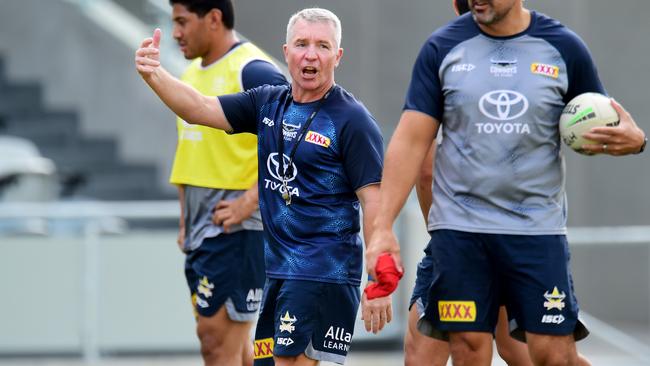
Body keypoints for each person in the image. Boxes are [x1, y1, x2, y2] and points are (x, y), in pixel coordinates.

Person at [367, 0, 647, 365]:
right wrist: (383, 227)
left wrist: (636, 141)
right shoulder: (442, 48)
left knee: (552, 354)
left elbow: (602, 117)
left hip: (536, 231)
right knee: (466, 346)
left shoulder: (563, 47)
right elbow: (410, 141)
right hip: (461, 231)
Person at [135, 7, 386, 366]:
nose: (311, 54)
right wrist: (154, 74)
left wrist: (380, 282)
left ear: (337, 56)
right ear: (286, 52)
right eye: (301, 44)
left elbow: (375, 204)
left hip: (323, 270)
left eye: (322, 46)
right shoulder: (268, 102)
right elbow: (200, 108)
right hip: (278, 272)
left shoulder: (352, 120)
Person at [166, 1, 287, 365]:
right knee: (233, 346)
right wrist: (185, 217)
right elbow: (189, 153)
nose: (175, 33)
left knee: (216, 342)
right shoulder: (189, 77)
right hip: (201, 224)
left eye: (182, 22)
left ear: (214, 19)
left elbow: (290, 139)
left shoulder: (253, 69)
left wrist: (249, 202)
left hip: (236, 226)